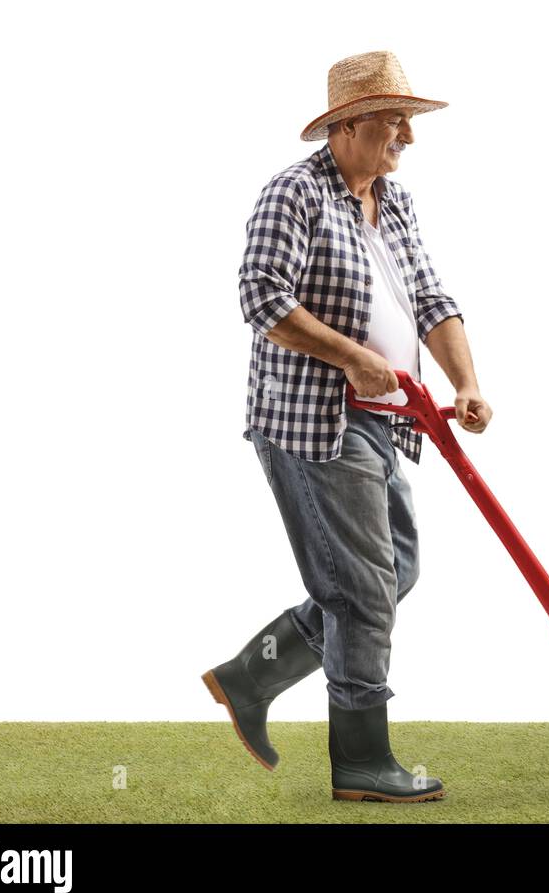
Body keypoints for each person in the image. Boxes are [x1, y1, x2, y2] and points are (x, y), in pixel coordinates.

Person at [202, 50, 493, 803]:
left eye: (407, 120)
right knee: (363, 591)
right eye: (395, 120)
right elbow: (261, 298)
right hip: (312, 422)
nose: (407, 136)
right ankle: (361, 760)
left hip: (385, 419)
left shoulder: (392, 201)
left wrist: (465, 382)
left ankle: (251, 675)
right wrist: (354, 358)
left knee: (395, 571)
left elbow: (431, 297)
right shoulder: (293, 194)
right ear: (348, 125)